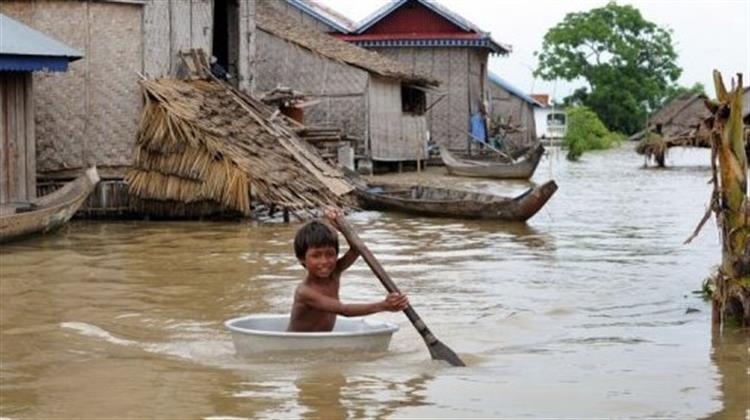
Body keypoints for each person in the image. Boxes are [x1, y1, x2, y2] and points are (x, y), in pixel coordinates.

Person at [287, 208, 409, 332]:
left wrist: (342, 227)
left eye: (330, 254)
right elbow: (344, 310)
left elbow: (356, 249)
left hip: (319, 341)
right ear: (302, 259)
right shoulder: (304, 292)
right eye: (316, 255)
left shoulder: (334, 272)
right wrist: (383, 305)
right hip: (296, 344)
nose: (324, 261)